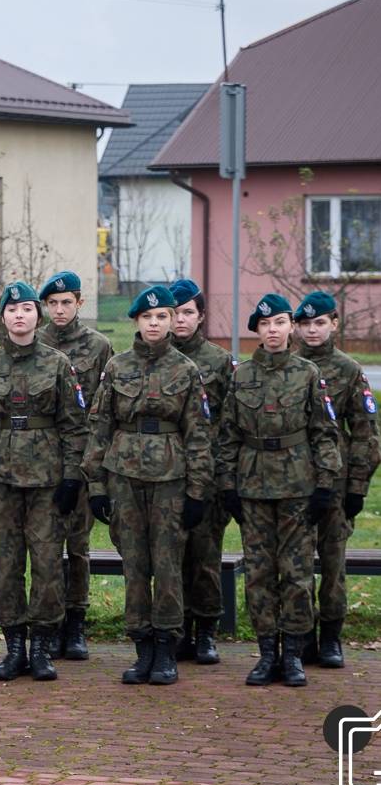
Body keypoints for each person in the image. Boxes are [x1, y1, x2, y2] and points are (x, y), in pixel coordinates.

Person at [82, 286, 213, 686]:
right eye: (147, 317)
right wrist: (96, 486)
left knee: (168, 566)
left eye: (162, 317)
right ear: (136, 322)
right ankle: (142, 648)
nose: (154, 324)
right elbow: (100, 427)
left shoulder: (186, 370)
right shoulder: (117, 367)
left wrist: (197, 491)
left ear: (172, 320)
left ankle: (167, 649)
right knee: (135, 565)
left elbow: (198, 434)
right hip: (125, 478)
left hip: (171, 480)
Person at [217, 293, 341, 688]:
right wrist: (228, 486)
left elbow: (324, 433)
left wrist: (325, 484)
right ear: (257, 330)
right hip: (253, 486)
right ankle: (267, 652)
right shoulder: (241, 376)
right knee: (259, 573)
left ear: (291, 328)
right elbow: (228, 436)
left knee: (297, 573)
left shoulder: (307, 374)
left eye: (280, 323)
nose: (273, 331)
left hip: (297, 485)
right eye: (265, 324)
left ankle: (294, 656)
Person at [0, 281, 88, 682]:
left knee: (48, 564)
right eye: (12, 310)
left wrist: (72, 477)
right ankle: (14, 646)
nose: (20, 315)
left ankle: (41, 647)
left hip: (47, 481)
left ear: (38, 315)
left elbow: (74, 426)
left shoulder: (57, 364)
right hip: (0, 480)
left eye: (27, 309)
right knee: (8, 564)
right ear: (3, 317)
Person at [293, 290, 379, 669]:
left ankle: (331, 637)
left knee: (332, 563)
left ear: (333, 324)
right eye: (305, 324)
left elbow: (365, 434)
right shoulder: (288, 366)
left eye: (319, 323)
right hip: (293, 481)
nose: (312, 330)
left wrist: (357, 487)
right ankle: (301, 635)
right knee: (295, 565)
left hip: (337, 484)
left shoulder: (348, 370)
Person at [36, 270, 113, 661]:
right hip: (42, 459)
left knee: (78, 546)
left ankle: (77, 622)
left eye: (67, 302)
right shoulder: (36, 342)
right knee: (46, 546)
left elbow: (105, 406)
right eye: (53, 303)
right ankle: (50, 623)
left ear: (79, 303)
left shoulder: (98, 346)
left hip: (82, 457)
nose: (60, 310)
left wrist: (97, 464)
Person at [169, 278, 236, 664]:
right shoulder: (154, 359)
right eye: (174, 313)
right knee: (171, 557)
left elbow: (231, 423)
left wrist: (225, 479)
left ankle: (207, 630)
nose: (180, 320)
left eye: (187, 313)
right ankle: (177, 629)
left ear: (201, 317)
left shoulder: (219, 361)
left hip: (206, 473)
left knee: (206, 556)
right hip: (165, 473)